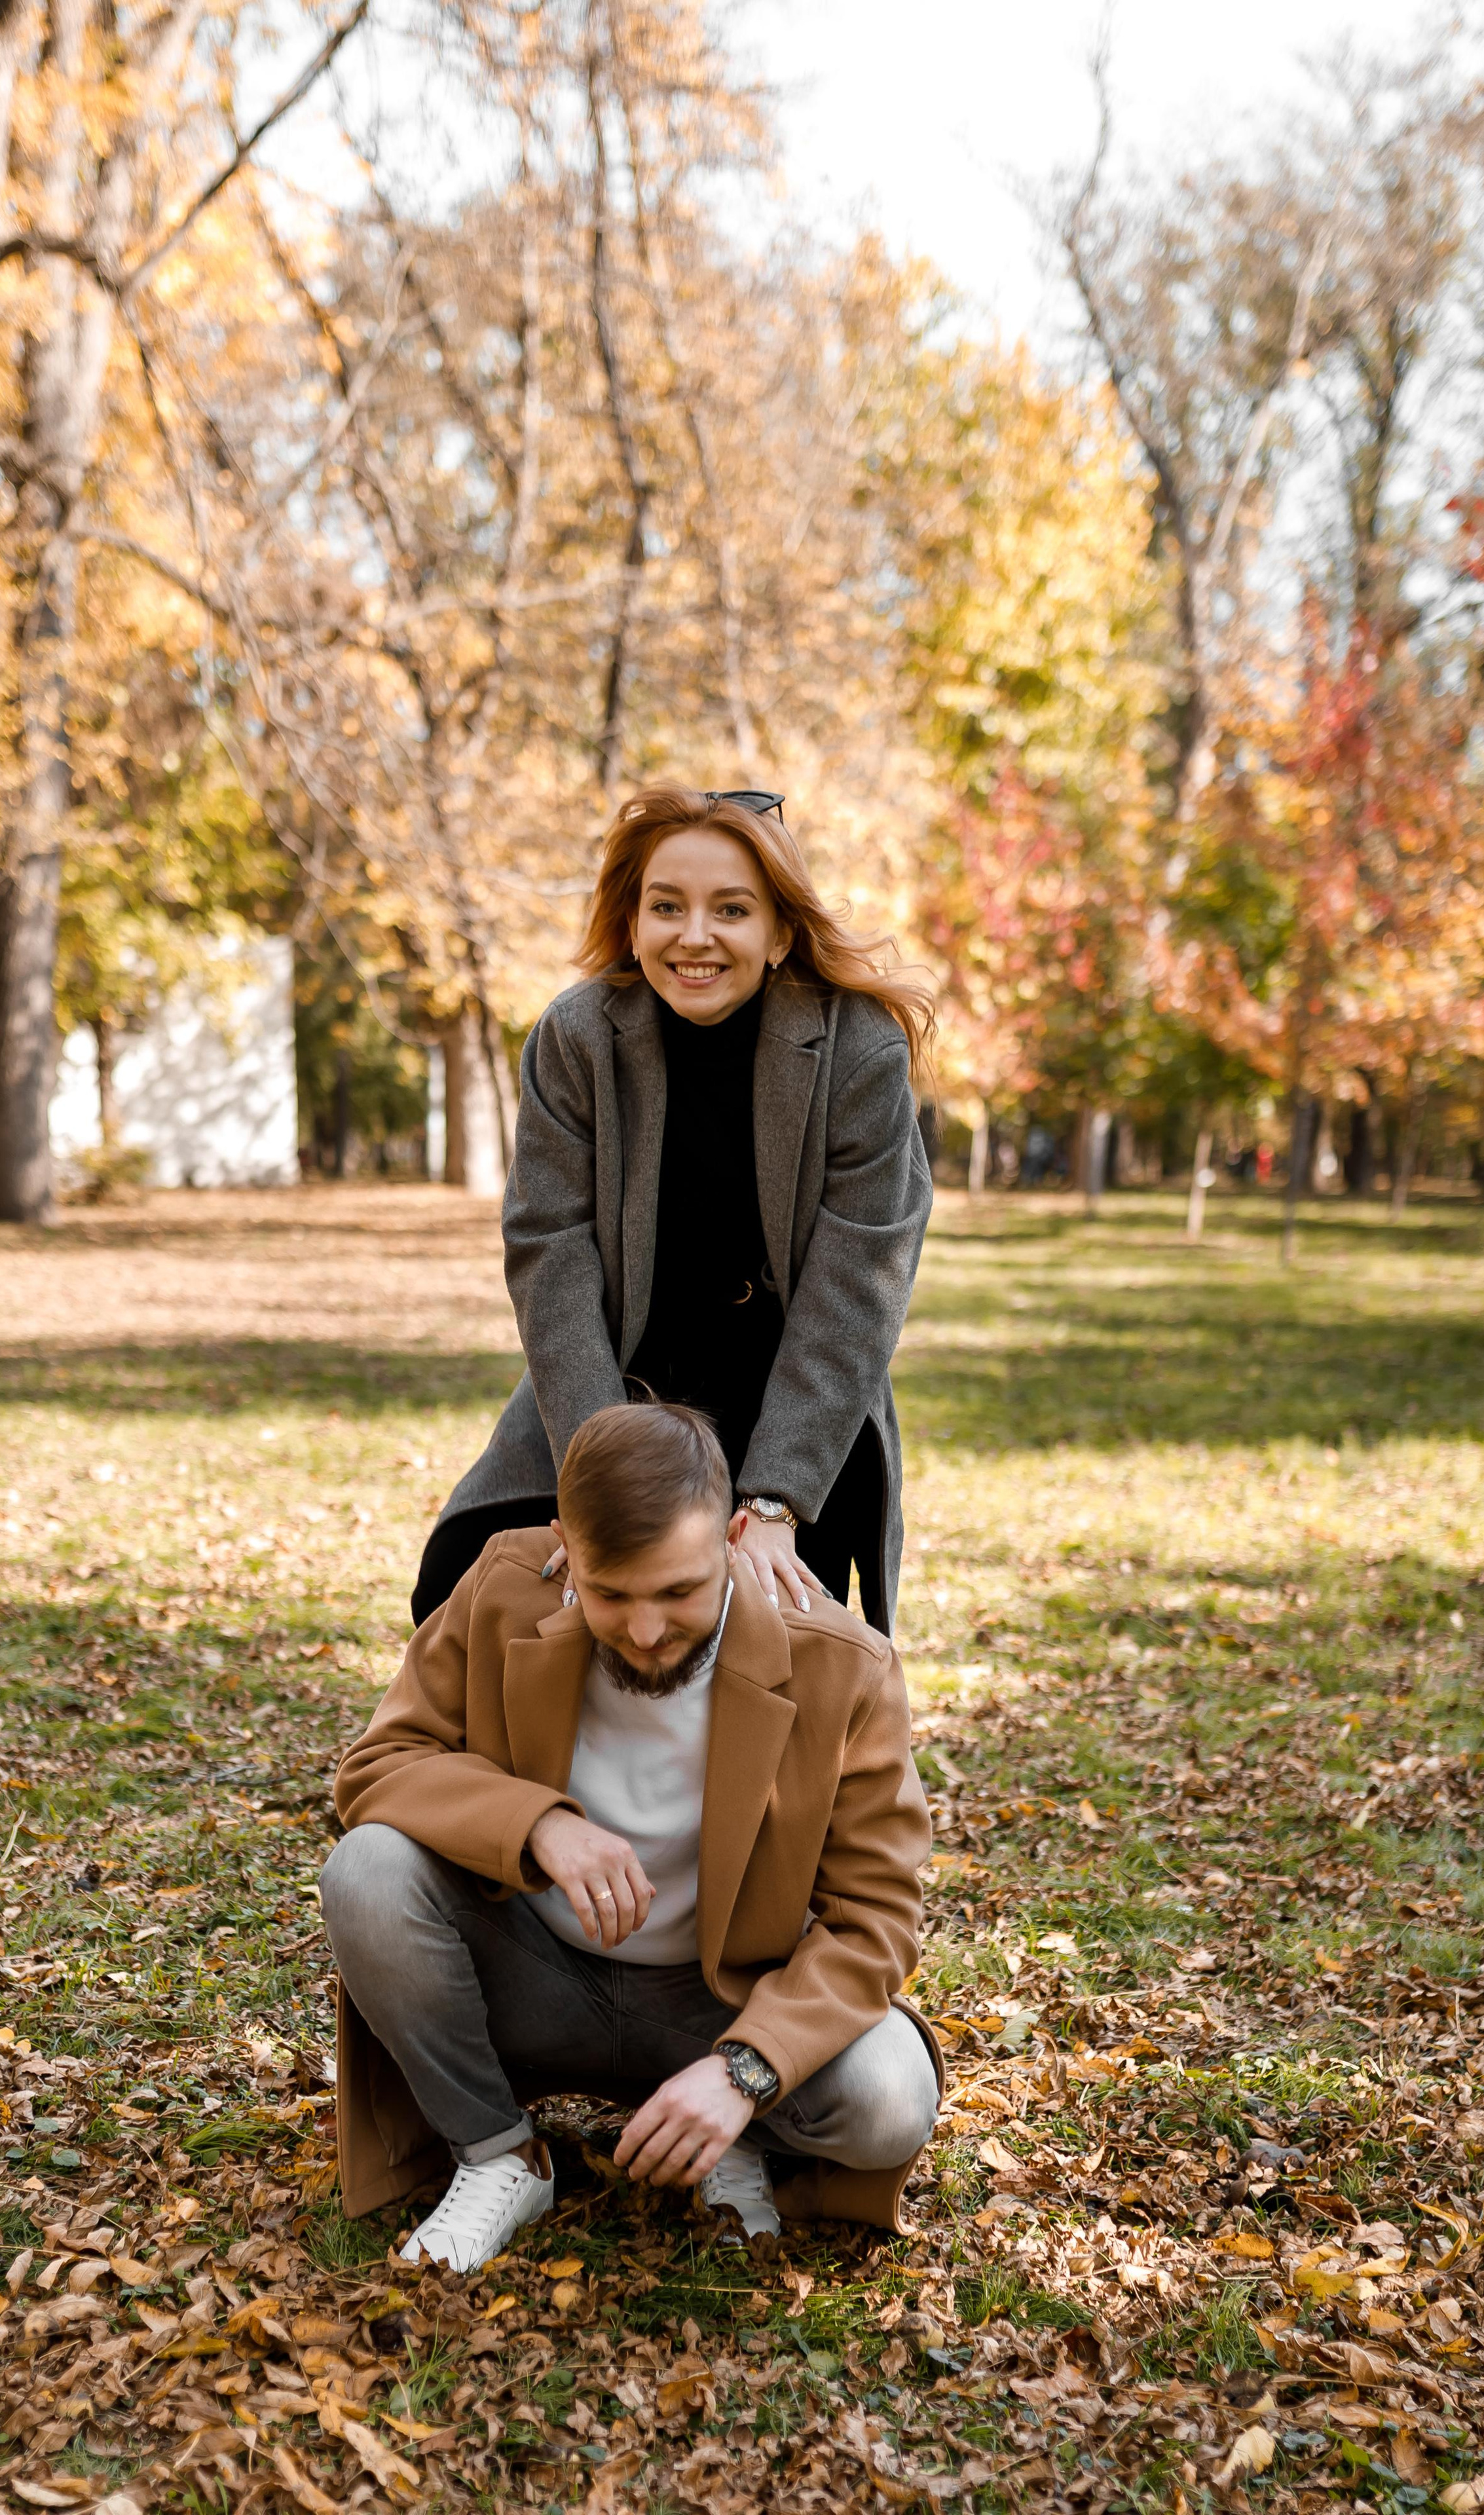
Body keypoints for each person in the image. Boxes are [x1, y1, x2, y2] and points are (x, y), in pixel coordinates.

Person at [324, 1402, 940, 2271]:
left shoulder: (846, 1667)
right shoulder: (503, 1590)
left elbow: (877, 1922)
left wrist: (745, 2071)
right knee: (368, 1870)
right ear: (564, 1544)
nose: (646, 1632)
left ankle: (739, 2139)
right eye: (611, 1594)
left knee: (891, 2096)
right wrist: (537, 1826)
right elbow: (378, 1766)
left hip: (723, 2002)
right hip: (533, 1975)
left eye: (679, 1592)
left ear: (734, 1537)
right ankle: (498, 2153)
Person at [410, 785, 936, 1636]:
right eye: (667, 907)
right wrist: (596, 1498)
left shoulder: (858, 1050)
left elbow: (857, 1289)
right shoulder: (579, 1038)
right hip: (617, 1385)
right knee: (458, 1591)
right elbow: (552, 1254)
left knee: (783, 1633)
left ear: (779, 935)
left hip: (792, 1399)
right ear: (632, 922)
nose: (695, 936)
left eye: (732, 909)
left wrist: (773, 1505)